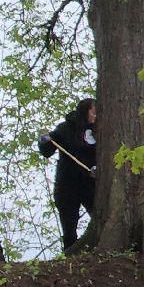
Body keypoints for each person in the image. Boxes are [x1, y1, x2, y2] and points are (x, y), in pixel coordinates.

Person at [39, 98, 98, 254]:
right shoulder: (66, 129)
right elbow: (48, 149)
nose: (96, 115)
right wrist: (44, 141)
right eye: (93, 111)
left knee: (99, 216)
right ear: (85, 111)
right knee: (69, 224)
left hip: (90, 184)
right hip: (68, 185)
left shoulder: (100, 130)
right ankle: (71, 256)